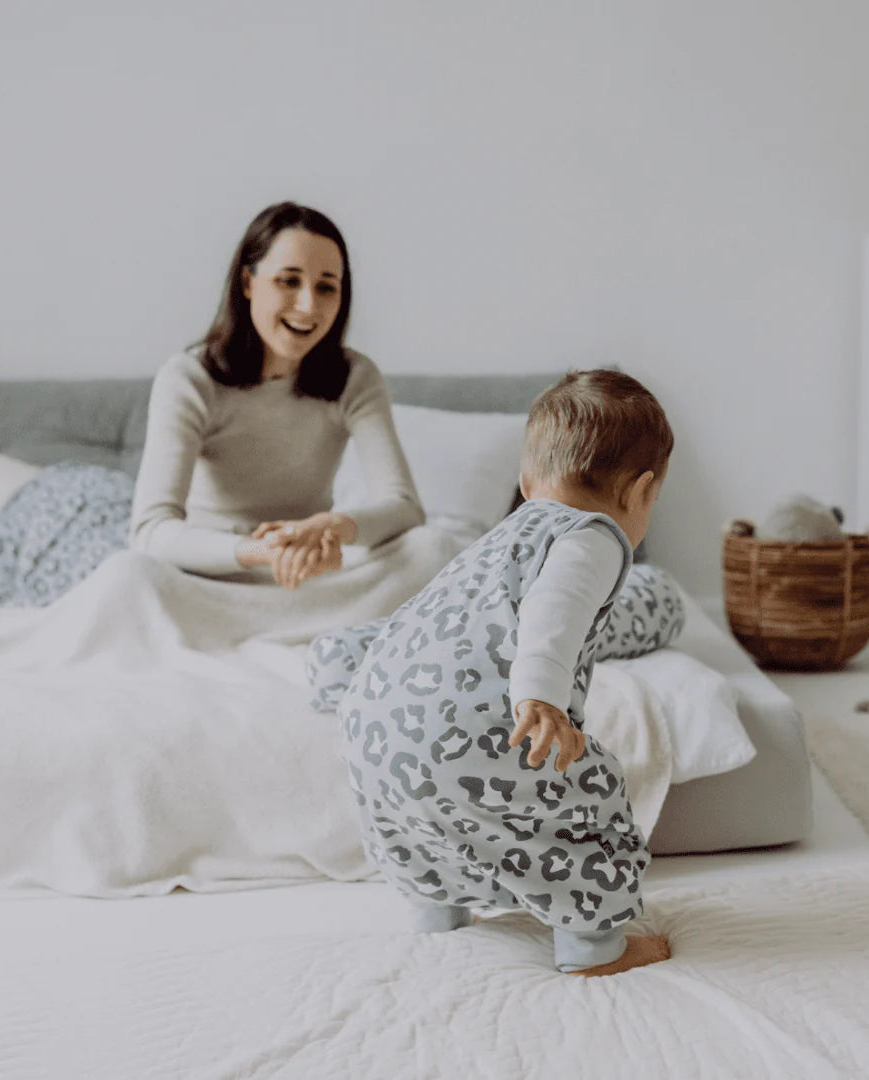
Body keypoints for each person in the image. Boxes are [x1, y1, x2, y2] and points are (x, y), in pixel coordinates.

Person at [338, 369, 674, 977]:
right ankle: (594, 947)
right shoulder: (591, 536)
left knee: (427, 815)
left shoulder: (497, 542)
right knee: (590, 799)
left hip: (374, 731)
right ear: (642, 493)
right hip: (483, 729)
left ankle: (439, 910)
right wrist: (540, 698)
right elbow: (555, 611)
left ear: (525, 483)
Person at [129, 201, 424, 587]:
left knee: (431, 548)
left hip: (311, 578)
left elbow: (404, 508)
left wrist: (332, 528)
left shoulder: (355, 377)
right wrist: (265, 552)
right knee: (126, 574)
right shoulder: (189, 378)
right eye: (289, 280)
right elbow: (151, 531)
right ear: (248, 282)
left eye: (326, 287)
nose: (308, 306)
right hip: (209, 582)